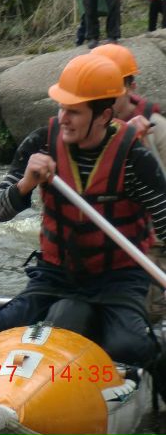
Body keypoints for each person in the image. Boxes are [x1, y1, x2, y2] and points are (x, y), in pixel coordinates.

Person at [0, 53, 166, 371]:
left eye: (74, 111)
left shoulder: (135, 160)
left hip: (119, 279)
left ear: (103, 115)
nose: (64, 118)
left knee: (129, 347)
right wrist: (25, 184)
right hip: (56, 274)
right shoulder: (40, 145)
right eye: (61, 108)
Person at [91, 43, 166, 325]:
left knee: (136, 323)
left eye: (112, 88)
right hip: (101, 250)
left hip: (148, 252)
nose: (105, 97)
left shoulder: (156, 128)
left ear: (131, 86)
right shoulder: (87, 128)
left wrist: (138, 149)